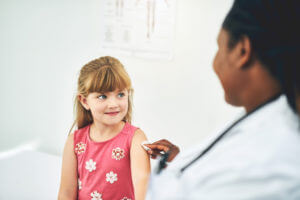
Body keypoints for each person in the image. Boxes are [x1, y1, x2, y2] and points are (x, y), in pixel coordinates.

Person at [145, 0, 300, 199]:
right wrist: (180, 162)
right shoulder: (268, 115)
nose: (214, 63)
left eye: (219, 47)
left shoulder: (268, 159)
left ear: (242, 51)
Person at [58, 56, 150, 200]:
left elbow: (143, 188)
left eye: (120, 94)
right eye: (102, 96)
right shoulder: (74, 142)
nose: (113, 104)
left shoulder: (135, 139)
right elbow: (66, 193)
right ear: (84, 101)